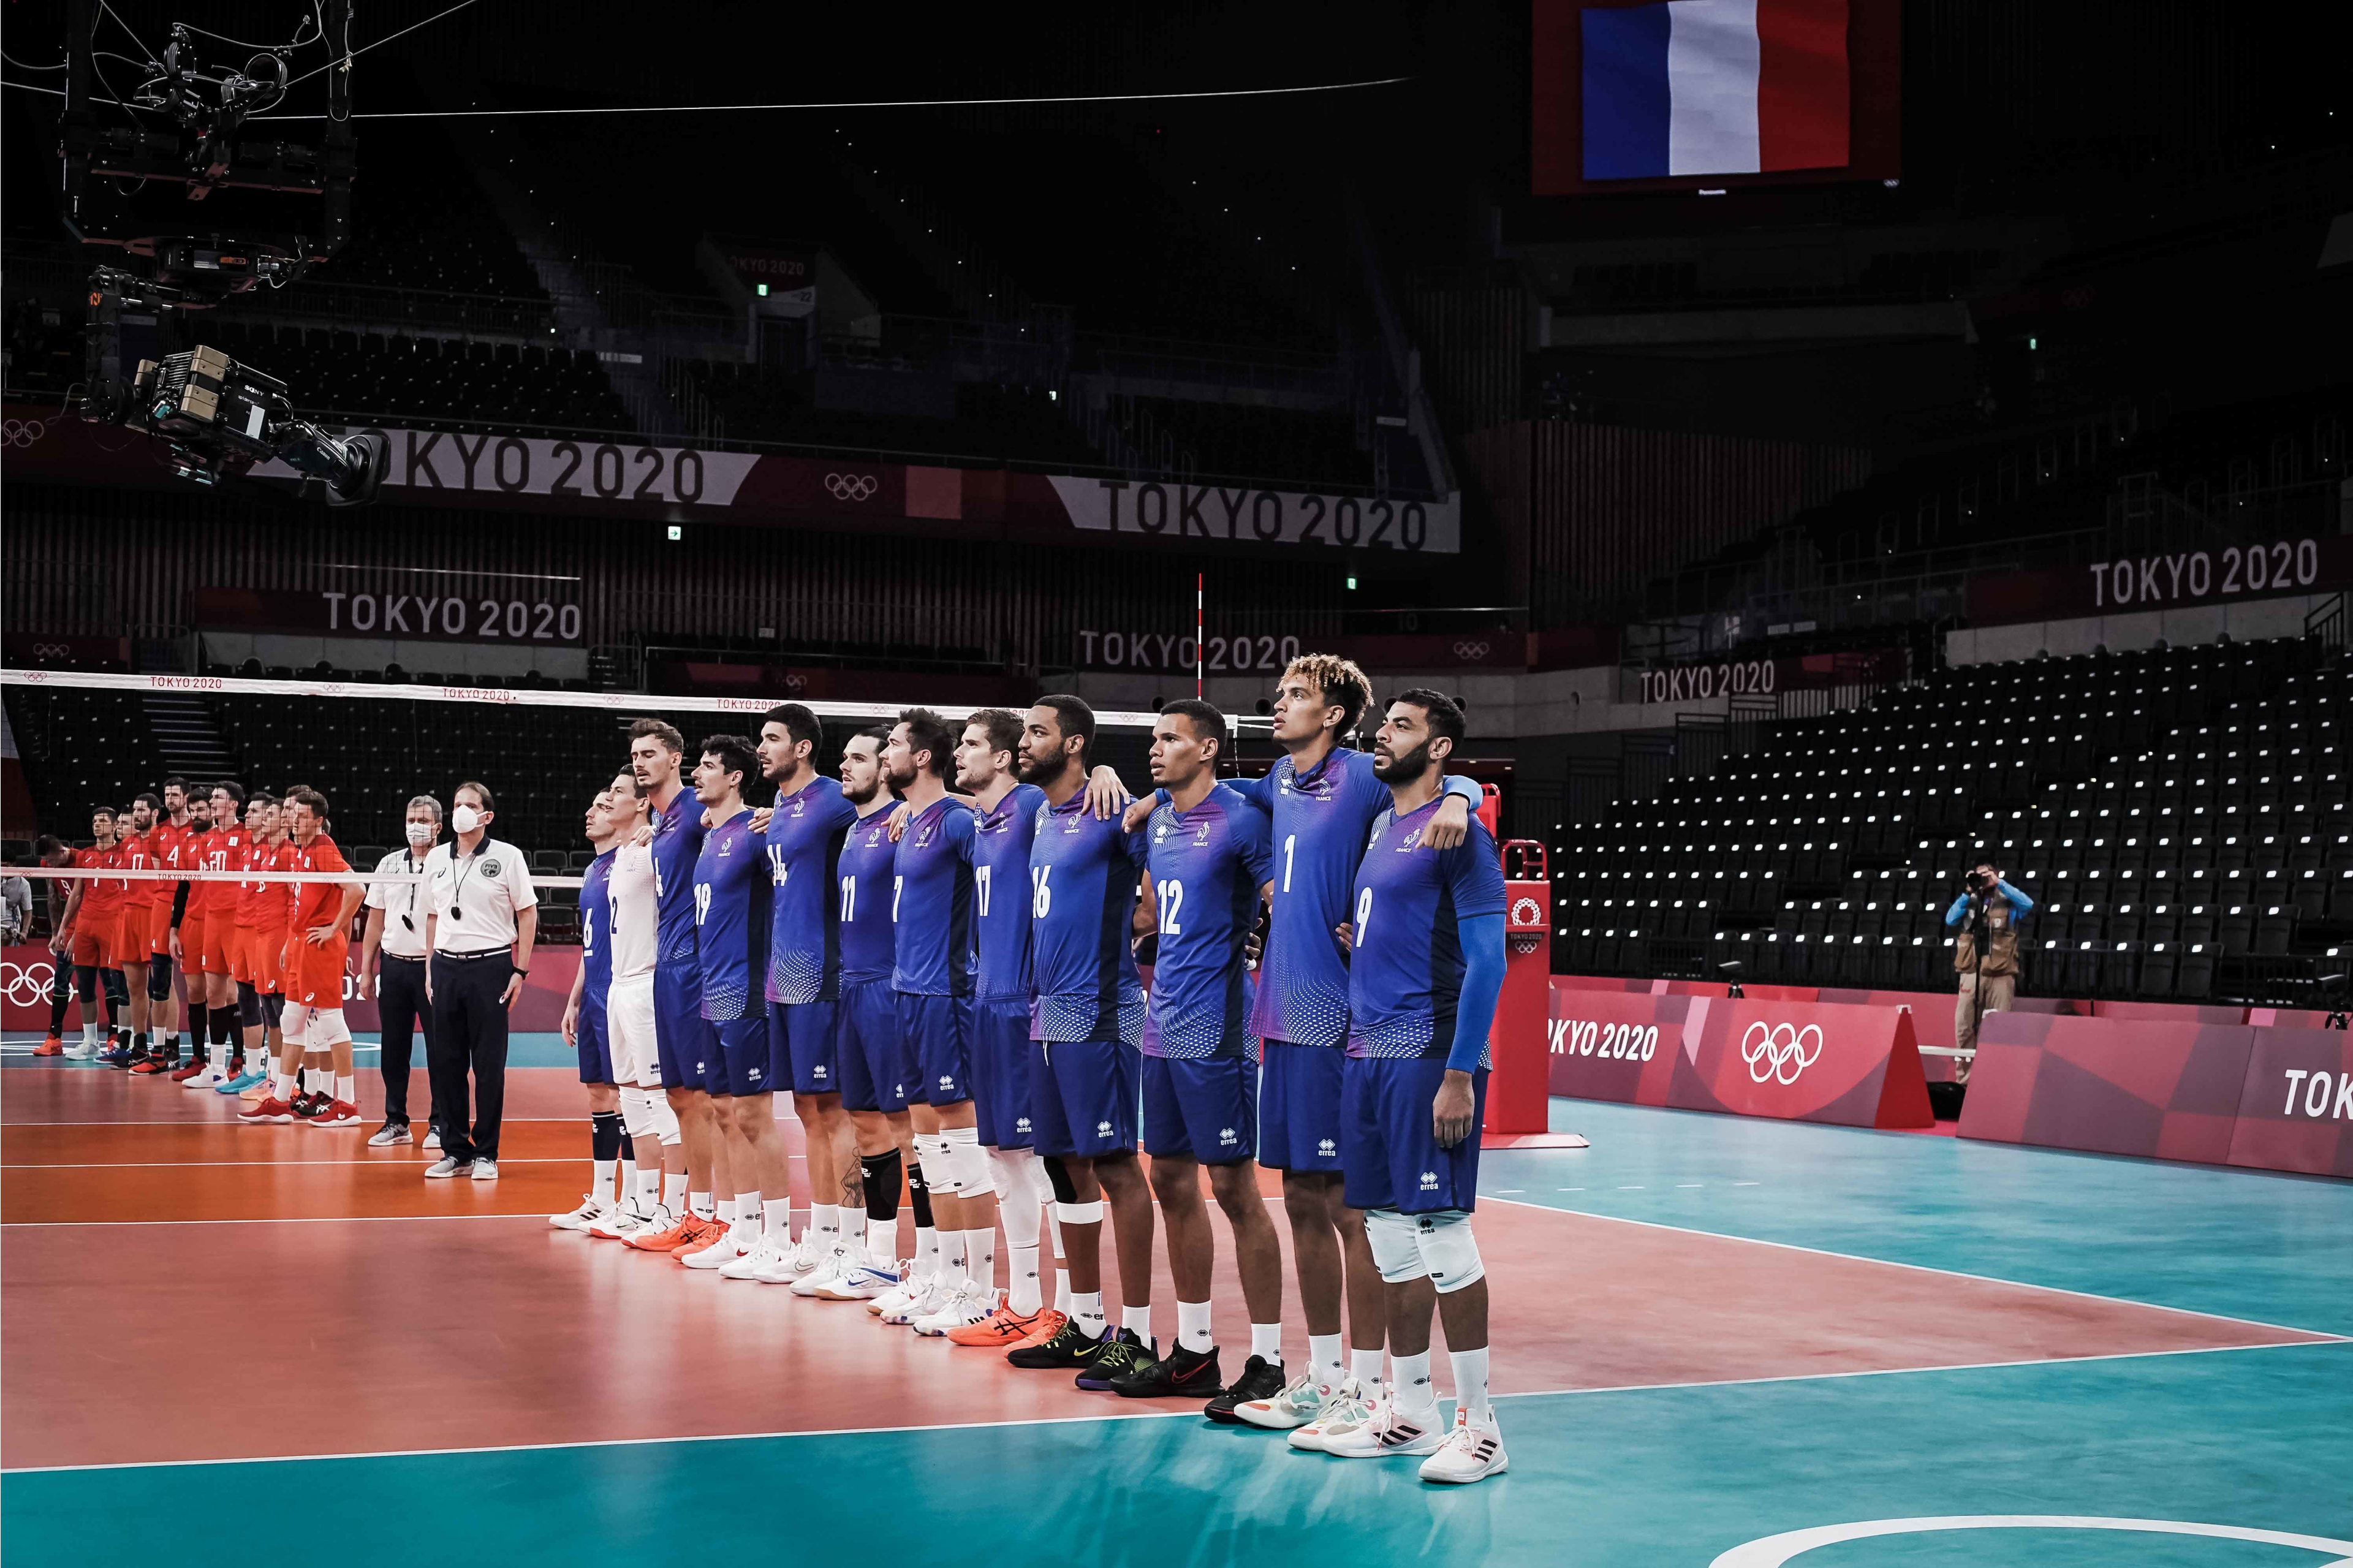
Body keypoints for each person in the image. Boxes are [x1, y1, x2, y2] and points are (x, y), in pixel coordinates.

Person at [1316, 691, 1510, 1483]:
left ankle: (1484, 1428)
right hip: (1368, 1054)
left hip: (1430, 1055)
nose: (1380, 734)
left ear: (1438, 749)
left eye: (1399, 725)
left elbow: (1489, 960)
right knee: (1387, 1234)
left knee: (1442, 1231)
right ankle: (1411, 1407)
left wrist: (1461, 1070)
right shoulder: (1381, 827)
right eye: (1383, 721)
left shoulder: (1459, 835)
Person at [1101, 699, 1284, 1407]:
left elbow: (1282, 900)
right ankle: (1196, 1349)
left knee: (1235, 1190)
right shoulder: (1159, 822)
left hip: (1218, 1029)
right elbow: (1152, 907)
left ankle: (1267, 1360)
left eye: (1170, 739)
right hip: (1162, 1024)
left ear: (1207, 749)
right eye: (1153, 739)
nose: (1155, 749)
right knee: (1170, 1182)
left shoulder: (1242, 817)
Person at [1003, 695, 1161, 1385]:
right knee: (1063, 1166)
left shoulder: (1111, 809)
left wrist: (1129, 785)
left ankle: (1142, 1334)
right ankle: (1088, 1324)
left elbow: (1156, 892)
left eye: (1037, 732)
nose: (1022, 742)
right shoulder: (1042, 814)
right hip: (1049, 1014)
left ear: (1073, 745)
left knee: (1117, 1167)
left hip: (1102, 1010)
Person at [876, 708, 1006, 1335]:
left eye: (896, 744)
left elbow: (1001, 863)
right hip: (907, 992)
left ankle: (980, 1288)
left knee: (960, 1146)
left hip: (947, 994)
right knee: (926, 1147)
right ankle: (946, 1276)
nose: (885, 755)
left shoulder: (956, 821)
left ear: (921, 756)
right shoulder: (916, 819)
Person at [936, 708, 1057, 1345]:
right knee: (1000, 1153)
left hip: (1027, 1002)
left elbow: (1079, 798)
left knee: (1042, 1158)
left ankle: (1061, 1308)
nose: (961, 751)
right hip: (988, 999)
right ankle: (1024, 1300)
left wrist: (1114, 777)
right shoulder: (983, 821)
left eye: (974, 744)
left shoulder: (1036, 805)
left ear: (1006, 757)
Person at [754, 704, 868, 1292]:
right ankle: (822, 1237)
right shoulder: (778, 808)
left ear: (801, 747)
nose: (761, 747)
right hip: (783, 973)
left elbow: (887, 811)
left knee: (835, 1109)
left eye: (772, 738)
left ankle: (853, 1242)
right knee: (805, 1109)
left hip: (823, 971)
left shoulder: (832, 800)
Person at [823, 728, 934, 1302]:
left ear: (890, 768)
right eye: (844, 757)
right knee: (865, 1123)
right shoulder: (854, 829)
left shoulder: (906, 823)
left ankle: (936, 1262)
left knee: (911, 1129)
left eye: (861, 757)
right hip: (852, 987)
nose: (846, 765)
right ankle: (880, 1259)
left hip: (893, 988)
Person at [623, 719, 735, 1256]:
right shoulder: (665, 821)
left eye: (650, 754)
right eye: (635, 755)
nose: (640, 762)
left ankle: (722, 1216)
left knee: (708, 1099)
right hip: (665, 967)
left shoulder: (694, 810)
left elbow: (741, 823)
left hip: (696, 965)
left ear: (675, 759)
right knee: (677, 1097)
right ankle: (697, 1212)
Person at [680, 734, 781, 1274]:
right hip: (709, 988)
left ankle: (780, 1236)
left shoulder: (756, 832)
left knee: (752, 1113)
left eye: (710, 766)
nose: (699, 774)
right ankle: (742, 1231)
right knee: (721, 1111)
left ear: (736, 777)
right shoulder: (710, 835)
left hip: (745, 988)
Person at [422, 782, 540, 1177]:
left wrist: (520, 970)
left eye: (470, 805)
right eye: (457, 804)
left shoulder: (507, 857)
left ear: (487, 816)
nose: (460, 811)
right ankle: (455, 1150)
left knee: (488, 1066)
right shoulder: (437, 858)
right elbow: (434, 915)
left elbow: (527, 912)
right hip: (446, 967)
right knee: (447, 1063)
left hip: (490, 967)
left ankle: (487, 1151)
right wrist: (429, 966)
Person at [586, 769, 684, 1240]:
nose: (607, 800)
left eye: (618, 794)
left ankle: (677, 1206)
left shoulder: (651, 848)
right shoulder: (624, 852)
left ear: (642, 805)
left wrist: (661, 829)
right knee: (630, 1099)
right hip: (617, 986)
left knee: (662, 1100)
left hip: (646, 983)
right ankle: (644, 1205)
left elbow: (697, 831)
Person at [239, 787, 366, 1128]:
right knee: (292, 1021)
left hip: (319, 946)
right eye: (292, 814)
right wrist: (289, 943)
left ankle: (348, 1104)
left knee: (330, 1022)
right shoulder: (299, 852)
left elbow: (357, 890)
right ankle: (281, 1101)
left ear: (319, 820)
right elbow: (302, 901)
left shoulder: (324, 850)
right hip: (299, 943)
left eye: (301, 815)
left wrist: (334, 929)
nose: (293, 819)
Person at [553, 786, 634, 1231]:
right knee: (599, 1094)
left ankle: (633, 1201)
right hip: (595, 991)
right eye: (594, 804)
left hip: (624, 989)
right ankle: (603, 1198)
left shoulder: (632, 860)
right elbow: (591, 943)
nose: (591, 812)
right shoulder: (593, 869)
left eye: (604, 806)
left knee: (629, 1097)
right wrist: (575, 995)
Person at [357, 797, 444, 1145]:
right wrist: (366, 968)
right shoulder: (388, 864)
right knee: (393, 1049)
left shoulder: (449, 863)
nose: (415, 825)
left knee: (442, 1050)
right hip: (393, 966)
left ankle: (440, 1123)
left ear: (438, 826)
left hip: (434, 968)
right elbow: (375, 918)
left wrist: (435, 967)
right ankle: (397, 1122)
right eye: (410, 818)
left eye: (422, 819)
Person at [165, 783, 251, 1083]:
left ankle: (245, 1064)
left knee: (238, 993)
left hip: (238, 923)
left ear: (234, 804)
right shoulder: (204, 840)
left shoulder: (248, 837)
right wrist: (174, 927)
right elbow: (185, 885)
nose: (212, 802)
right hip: (210, 921)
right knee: (212, 993)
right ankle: (215, 1068)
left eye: (217, 798)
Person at [218, 795, 286, 1100]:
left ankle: (278, 1074)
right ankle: (254, 1070)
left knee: (274, 1004)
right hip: (242, 929)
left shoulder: (283, 851)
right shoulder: (249, 849)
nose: (250, 814)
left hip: (268, 933)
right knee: (246, 998)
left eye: (257, 811)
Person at [1947, 861, 2033, 1076]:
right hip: (1970, 971)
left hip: (2001, 973)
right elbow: (1950, 919)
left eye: (1987, 875)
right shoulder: (1970, 900)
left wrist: (1999, 883)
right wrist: (1968, 891)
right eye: (1980, 876)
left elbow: (2028, 904)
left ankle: (1996, 1078)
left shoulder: (2008, 901)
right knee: (1965, 1027)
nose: (1983, 880)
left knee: (2000, 1028)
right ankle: (1965, 1082)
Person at [62, 809, 129, 1065]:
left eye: (103, 821)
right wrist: (65, 930)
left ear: (114, 826)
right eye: (94, 821)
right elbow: (77, 894)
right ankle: (91, 1042)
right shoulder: (85, 855)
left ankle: (124, 1042)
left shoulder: (125, 853)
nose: (97, 825)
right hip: (86, 926)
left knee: (119, 987)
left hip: (113, 925)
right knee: (85, 986)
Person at [33, 838, 85, 1056]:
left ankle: (113, 1039)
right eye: (46, 860)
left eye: (51, 859)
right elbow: (53, 896)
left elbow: (88, 898)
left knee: (106, 981)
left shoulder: (82, 860)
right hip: (69, 926)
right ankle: (54, 1040)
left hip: (94, 923)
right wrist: (56, 932)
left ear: (62, 851)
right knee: (61, 980)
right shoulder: (47, 865)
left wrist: (78, 935)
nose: (49, 864)